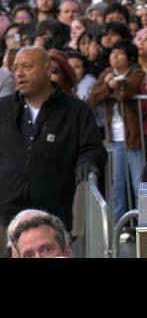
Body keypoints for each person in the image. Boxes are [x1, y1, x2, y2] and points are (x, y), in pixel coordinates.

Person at [0, 47, 106, 251]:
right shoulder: (3, 109)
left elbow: (92, 148)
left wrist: (88, 162)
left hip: (54, 212)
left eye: (26, 67)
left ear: (47, 69)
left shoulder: (75, 111)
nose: (19, 73)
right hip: (7, 211)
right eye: (15, 68)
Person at [89, 40, 145, 223]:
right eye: (112, 53)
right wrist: (109, 87)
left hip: (133, 138)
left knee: (139, 184)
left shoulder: (137, 73)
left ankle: (142, 224)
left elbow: (125, 94)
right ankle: (118, 225)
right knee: (118, 184)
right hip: (113, 138)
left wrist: (112, 87)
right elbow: (94, 97)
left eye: (119, 53)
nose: (114, 56)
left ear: (129, 58)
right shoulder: (106, 74)